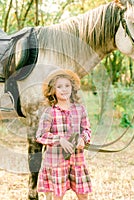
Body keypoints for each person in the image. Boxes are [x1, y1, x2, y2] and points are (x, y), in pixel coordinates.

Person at [36, 69, 92, 200]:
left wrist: (83, 139)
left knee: (83, 194)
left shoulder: (80, 109)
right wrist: (59, 139)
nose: (64, 89)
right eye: (59, 86)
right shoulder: (50, 112)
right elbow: (41, 135)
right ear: (52, 91)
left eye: (67, 86)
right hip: (56, 161)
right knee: (58, 195)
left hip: (77, 160)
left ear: (72, 88)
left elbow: (87, 130)